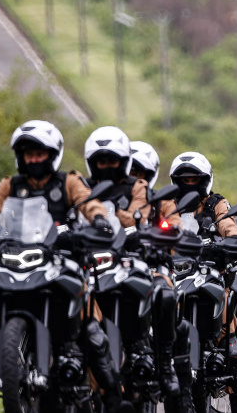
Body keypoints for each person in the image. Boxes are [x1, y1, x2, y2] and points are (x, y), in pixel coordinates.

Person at [0, 120, 129, 412]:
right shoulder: (10, 185)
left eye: (39, 154)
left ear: (52, 154)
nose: (34, 159)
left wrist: (98, 219)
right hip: (16, 262)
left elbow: (88, 202)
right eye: (28, 154)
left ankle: (112, 397)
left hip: (61, 263)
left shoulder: (69, 181)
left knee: (91, 330)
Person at [84, 127, 181, 398]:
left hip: (139, 260)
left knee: (164, 294)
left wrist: (106, 215)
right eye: (101, 161)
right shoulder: (83, 188)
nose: (106, 167)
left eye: (112, 161)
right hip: (94, 261)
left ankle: (163, 364)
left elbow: (141, 216)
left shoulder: (144, 192)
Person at [160, 152, 237, 413]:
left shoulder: (216, 203)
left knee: (228, 328)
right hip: (177, 274)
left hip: (211, 273)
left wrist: (231, 239)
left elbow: (229, 225)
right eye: (184, 179)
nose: (189, 184)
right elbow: (159, 228)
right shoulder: (168, 204)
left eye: (195, 179)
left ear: (206, 180)